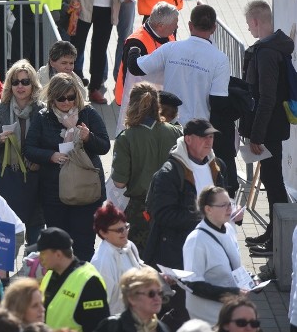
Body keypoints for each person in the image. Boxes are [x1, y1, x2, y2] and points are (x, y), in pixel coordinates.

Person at [24, 73, 110, 261]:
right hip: (54, 192)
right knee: (59, 244)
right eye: (61, 98)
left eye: (71, 97)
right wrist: (50, 156)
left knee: (85, 244)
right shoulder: (43, 117)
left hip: (85, 190)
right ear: (52, 98)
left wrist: (88, 138)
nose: (66, 102)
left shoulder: (88, 113)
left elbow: (105, 146)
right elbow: (29, 148)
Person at [240, 0, 293, 256]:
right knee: (273, 182)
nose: (248, 29)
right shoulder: (274, 47)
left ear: (257, 21)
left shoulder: (267, 52)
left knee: (274, 184)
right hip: (273, 127)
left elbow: (267, 97)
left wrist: (257, 135)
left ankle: (278, 244)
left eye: (249, 23)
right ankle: (274, 233)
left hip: (268, 130)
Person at [126, 3, 229, 126]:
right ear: (214, 28)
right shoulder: (220, 59)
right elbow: (218, 102)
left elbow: (135, 68)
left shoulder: (170, 48)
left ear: (190, 26)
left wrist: (134, 49)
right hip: (198, 128)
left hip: (169, 123)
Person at [144, 119, 227, 270]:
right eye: (203, 137)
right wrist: (203, 216)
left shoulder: (216, 167)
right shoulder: (169, 173)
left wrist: (230, 211)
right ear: (188, 139)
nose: (209, 141)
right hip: (178, 255)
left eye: (211, 137)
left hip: (210, 250)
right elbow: (163, 215)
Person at [111, 82, 183, 251]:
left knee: (140, 266)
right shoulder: (176, 132)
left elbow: (119, 182)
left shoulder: (126, 137)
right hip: (173, 205)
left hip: (141, 210)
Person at [0, 60, 43, 244]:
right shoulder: (0, 109)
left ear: (32, 85)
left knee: (35, 229)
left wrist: (39, 159)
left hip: (33, 176)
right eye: (16, 82)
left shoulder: (41, 110)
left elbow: (48, 143)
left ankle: (33, 268)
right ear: (10, 85)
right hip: (6, 175)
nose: (20, 86)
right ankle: (2, 271)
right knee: (4, 231)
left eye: (25, 82)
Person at [183, 186, 245, 323]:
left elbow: (234, 266)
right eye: (223, 205)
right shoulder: (196, 241)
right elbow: (193, 284)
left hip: (228, 311)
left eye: (230, 204)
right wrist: (232, 293)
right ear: (208, 209)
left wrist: (253, 280)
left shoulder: (228, 228)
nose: (230, 209)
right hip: (207, 316)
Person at [37, 227, 110, 332]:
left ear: (58, 254)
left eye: (43, 253)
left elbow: (97, 328)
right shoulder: (50, 275)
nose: (40, 258)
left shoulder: (90, 282)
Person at [89, 203, 147, 315]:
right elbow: (101, 305)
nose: (125, 232)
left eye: (126, 227)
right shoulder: (102, 262)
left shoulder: (129, 245)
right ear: (103, 233)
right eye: (119, 230)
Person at [92, 267, 170, 332]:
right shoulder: (112, 326)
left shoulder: (163, 328)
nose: (157, 298)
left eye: (160, 293)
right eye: (151, 294)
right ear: (131, 298)